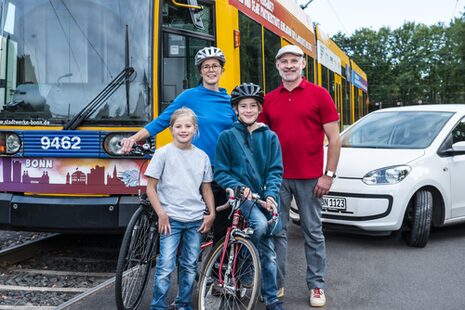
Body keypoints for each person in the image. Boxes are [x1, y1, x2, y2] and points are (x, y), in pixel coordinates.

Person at [119, 46, 236, 243]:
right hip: (193, 169)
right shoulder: (189, 96)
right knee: (191, 224)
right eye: (206, 66)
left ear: (222, 70)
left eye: (215, 66)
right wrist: (134, 138)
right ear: (200, 71)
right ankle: (187, 268)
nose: (211, 70)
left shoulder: (229, 101)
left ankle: (215, 271)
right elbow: (163, 120)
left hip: (221, 168)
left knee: (220, 225)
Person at [259, 45, 341, 308]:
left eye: (294, 61)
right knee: (276, 232)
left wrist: (328, 175)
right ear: (277, 67)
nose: (289, 65)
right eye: (284, 62)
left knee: (313, 232)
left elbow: (335, 139)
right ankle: (277, 284)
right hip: (277, 178)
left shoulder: (319, 95)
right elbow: (260, 139)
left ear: (303, 64)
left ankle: (316, 286)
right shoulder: (269, 99)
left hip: (311, 178)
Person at [215, 83, 285, 310]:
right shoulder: (227, 137)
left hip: (264, 197)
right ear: (236, 109)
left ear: (259, 109)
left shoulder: (270, 137)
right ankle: (247, 262)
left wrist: (272, 195)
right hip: (242, 197)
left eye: (252, 106)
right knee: (260, 226)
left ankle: (272, 298)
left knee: (269, 253)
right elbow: (221, 171)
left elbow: (275, 171)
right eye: (243, 106)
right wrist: (237, 186)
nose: (247, 110)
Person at [145, 108, 215, 310]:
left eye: (188, 126)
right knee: (165, 265)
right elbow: (150, 188)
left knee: (190, 265)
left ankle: (183, 303)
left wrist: (211, 213)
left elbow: (206, 188)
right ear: (171, 129)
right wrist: (161, 214)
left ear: (195, 129)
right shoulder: (163, 153)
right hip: (171, 219)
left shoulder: (202, 157)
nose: (183, 130)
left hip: (195, 219)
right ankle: (158, 305)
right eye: (178, 126)